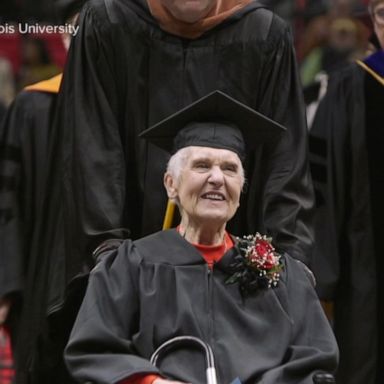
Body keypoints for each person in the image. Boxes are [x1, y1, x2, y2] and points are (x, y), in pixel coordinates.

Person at [45, 0, 315, 323]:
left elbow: (284, 165)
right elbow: (91, 152)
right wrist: (111, 260)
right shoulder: (108, 24)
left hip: (235, 279)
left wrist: (284, 264)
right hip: (124, 270)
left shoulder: (263, 36)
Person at [64, 91, 338, 384]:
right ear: (171, 184)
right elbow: (94, 350)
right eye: (202, 165)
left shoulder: (284, 276)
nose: (217, 178)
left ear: (240, 188)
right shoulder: (129, 267)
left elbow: (315, 359)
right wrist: (153, 383)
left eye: (230, 169)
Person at [0, 1, 86, 383]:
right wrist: (7, 284)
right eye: (78, 28)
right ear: (64, 38)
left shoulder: (132, 112)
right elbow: (7, 205)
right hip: (39, 282)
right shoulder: (33, 108)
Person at [309, 0, 384, 383]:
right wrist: (325, 278)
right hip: (366, 273)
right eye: (383, 13)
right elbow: (323, 190)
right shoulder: (349, 88)